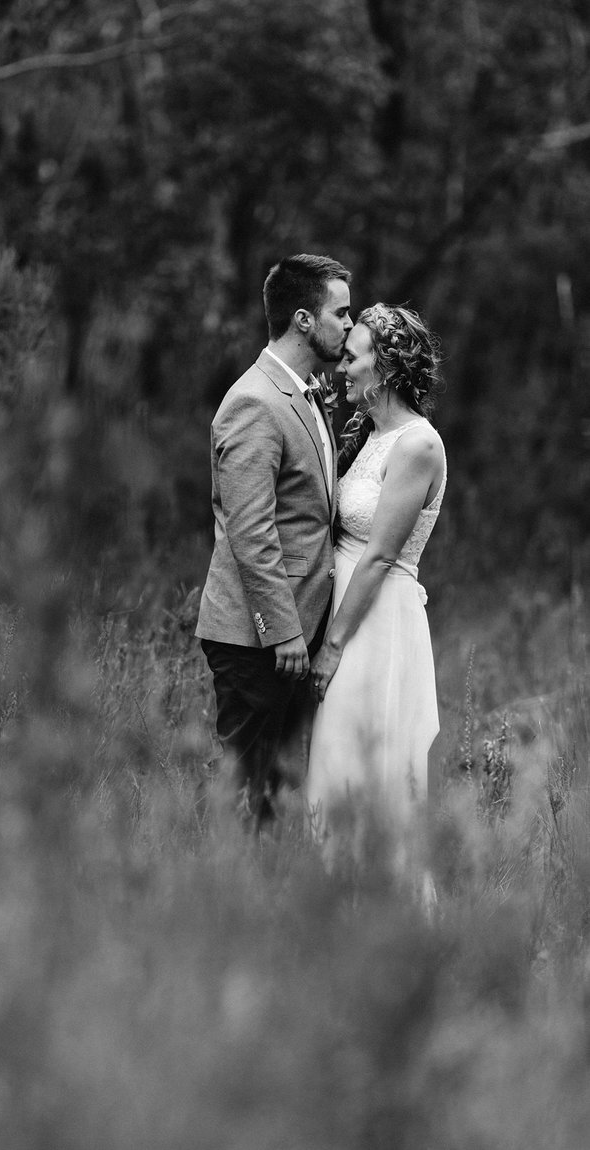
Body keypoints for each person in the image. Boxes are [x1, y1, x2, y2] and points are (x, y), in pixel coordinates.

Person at [195, 254, 354, 826]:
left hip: (295, 633)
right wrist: (283, 629)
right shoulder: (253, 403)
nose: (350, 326)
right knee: (242, 789)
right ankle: (216, 899)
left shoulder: (303, 393)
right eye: (342, 313)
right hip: (256, 637)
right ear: (304, 320)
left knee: (276, 796)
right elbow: (251, 531)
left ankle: (262, 905)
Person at [306, 304, 445, 851]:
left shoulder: (418, 444)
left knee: (362, 769)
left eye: (352, 355)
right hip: (347, 611)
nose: (342, 365)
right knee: (332, 765)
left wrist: (334, 645)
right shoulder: (366, 433)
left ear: (384, 366)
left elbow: (382, 555)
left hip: (373, 626)